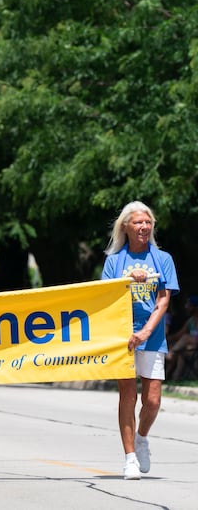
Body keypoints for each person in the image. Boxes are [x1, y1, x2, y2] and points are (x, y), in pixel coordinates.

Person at [101, 201, 179, 480]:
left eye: (148, 222)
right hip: (123, 337)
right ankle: (130, 457)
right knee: (128, 396)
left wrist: (146, 331)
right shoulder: (114, 262)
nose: (144, 227)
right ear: (126, 227)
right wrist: (128, 280)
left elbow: (163, 299)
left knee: (153, 400)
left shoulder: (163, 259)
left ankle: (142, 437)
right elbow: (106, 299)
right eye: (138, 223)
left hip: (151, 336)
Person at [166, 295, 198, 381]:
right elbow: (178, 335)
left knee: (186, 337)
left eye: (189, 305)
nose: (186, 307)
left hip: (194, 345)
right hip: (190, 348)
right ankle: (172, 377)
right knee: (179, 351)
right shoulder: (191, 321)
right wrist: (165, 339)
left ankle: (171, 353)